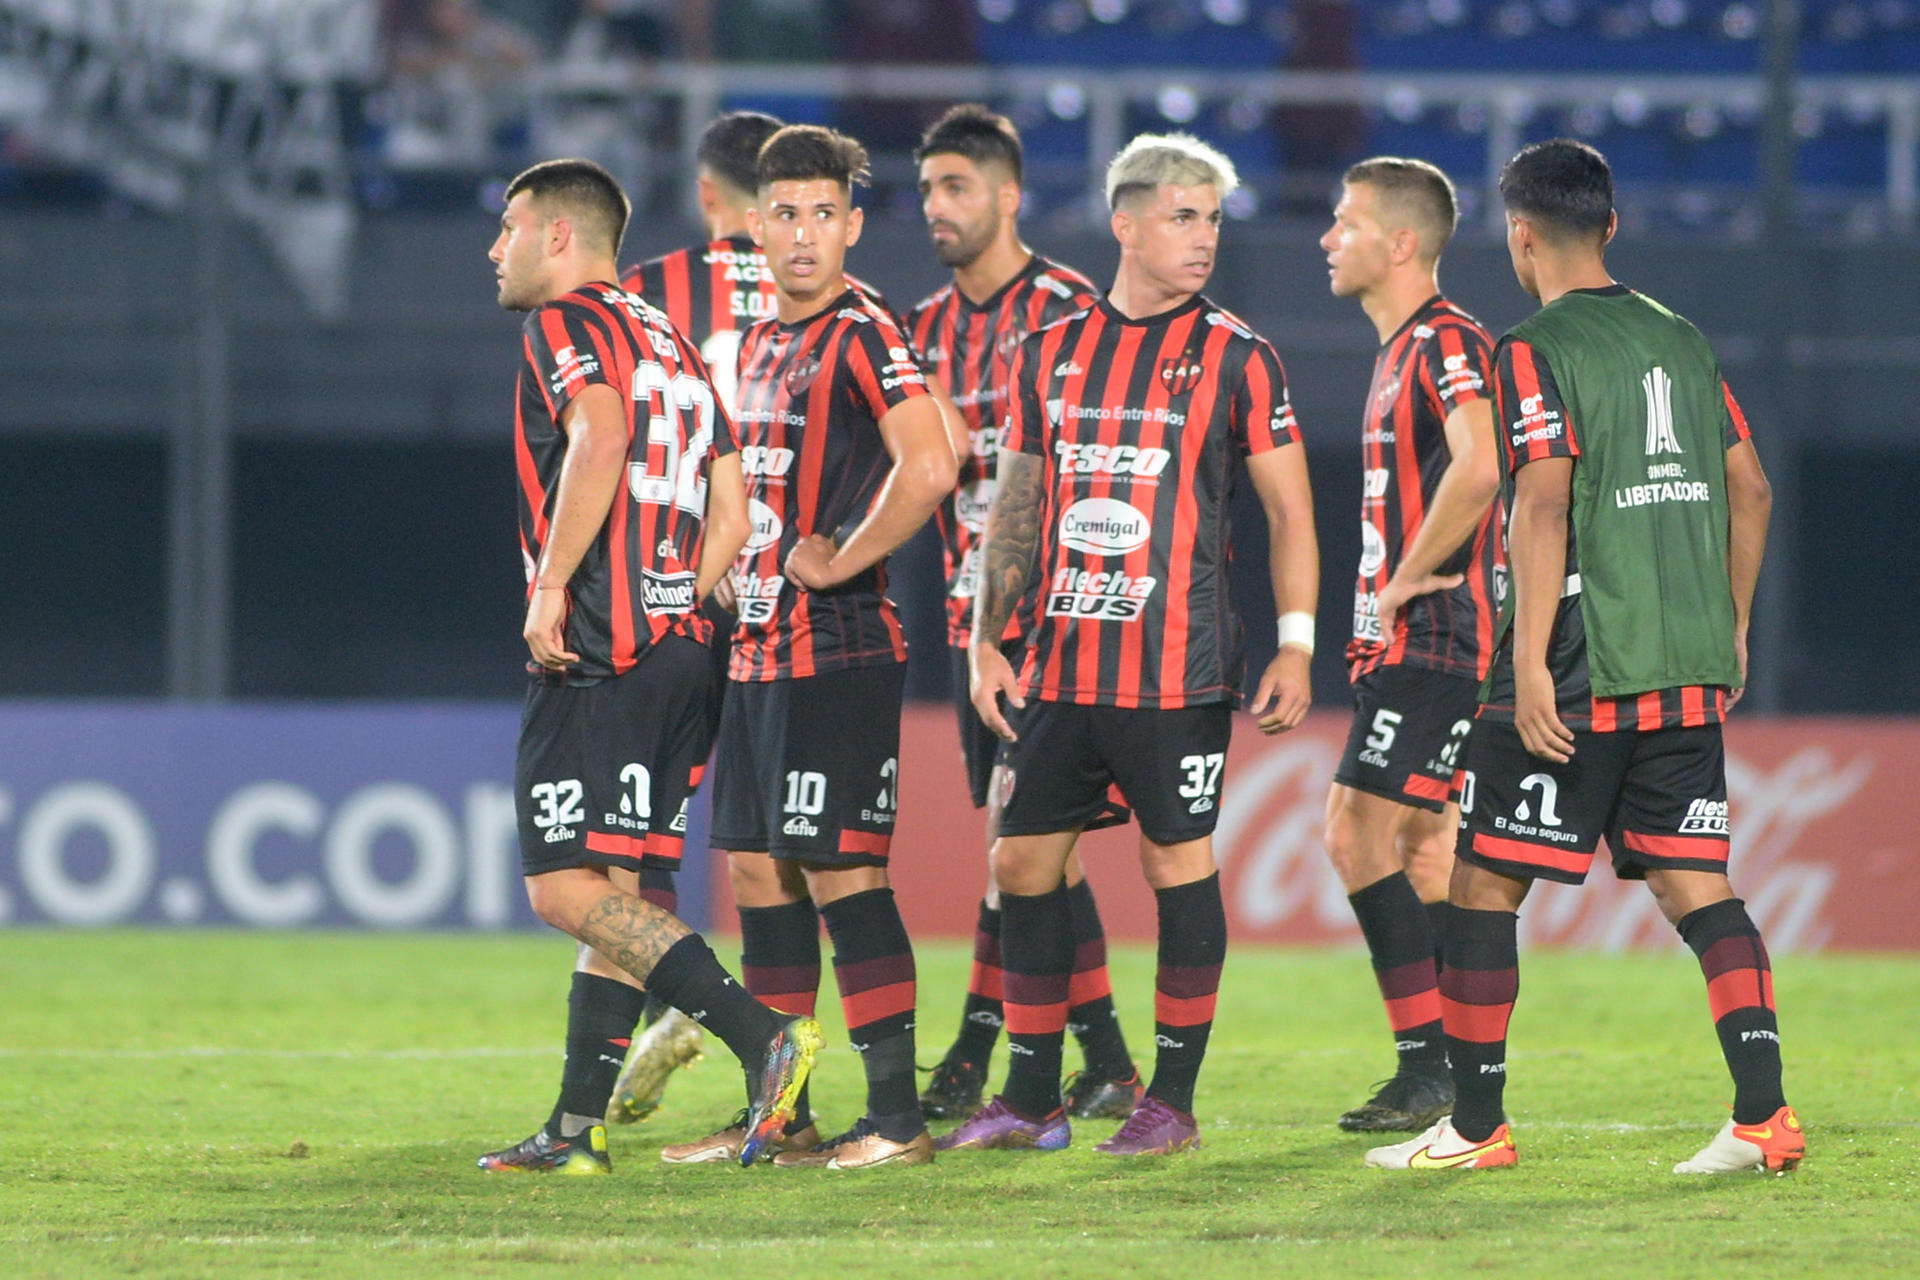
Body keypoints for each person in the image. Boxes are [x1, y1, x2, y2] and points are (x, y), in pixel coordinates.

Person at [1366, 139, 1799, 1173]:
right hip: (1686, 667)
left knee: (1480, 889)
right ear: (1611, 226)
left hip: (1574, 672)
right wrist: (1730, 622)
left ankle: (1476, 1127)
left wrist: (1522, 667)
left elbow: (1543, 496)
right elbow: (1753, 489)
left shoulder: (1532, 348)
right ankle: (1763, 1116)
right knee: (1699, 884)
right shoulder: (1683, 339)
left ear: (1520, 236)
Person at [938, 133, 1319, 1157]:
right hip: (1061, 662)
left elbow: (1290, 510)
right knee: (1022, 861)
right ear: (1127, 224)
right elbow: (1014, 507)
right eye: (1183, 216)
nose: (1203, 238)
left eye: (1211, 219)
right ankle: (1030, 1097)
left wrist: (1295, 643)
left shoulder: (1239, 354)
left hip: (1178, 665)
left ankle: (1172, 1101)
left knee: (1172, 859)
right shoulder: (1050, 352)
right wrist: (985, 638)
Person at [474, 158, 821, 1174]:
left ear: (558, 237)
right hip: (680, 651)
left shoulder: (565, 326)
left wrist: (553, 587)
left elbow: (602, 435)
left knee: (561, 888)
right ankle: (574, 1132)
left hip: (597, 648)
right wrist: (675, 595)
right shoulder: (669, 336)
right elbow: (737, 513)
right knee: (618, 892)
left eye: (508, 227)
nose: (495, 250)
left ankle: (765, 1037)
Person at [661, 125, 958, 1170]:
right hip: (758, 654)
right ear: (754, 223)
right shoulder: (753, 343)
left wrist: (843, 557)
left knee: (843, 874)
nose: (803, 233)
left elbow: (931, 463)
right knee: (756, 872)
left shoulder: (863, 331)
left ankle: (897, 1118)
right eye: (785, 212)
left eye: (824, 214)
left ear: (853, 226)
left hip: (838, 648)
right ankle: (780, 1110)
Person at [902, 103, 1142, 1125]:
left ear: (1008, 194)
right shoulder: (920, 329)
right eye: (925, 191)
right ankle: (1110, 1062)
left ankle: (976, 1048)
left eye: (956, 187)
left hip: (1052, 627)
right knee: (1043, 852)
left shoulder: (1071, 310)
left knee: (1019, 843)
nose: (936, 208)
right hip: (973, 629)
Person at [600, 108, 787, 1131]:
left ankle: (682, 1005)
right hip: (803, 599)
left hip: (680, 594)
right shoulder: (836, 292)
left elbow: (621, 443)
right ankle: (805, 1079)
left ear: (708, 193)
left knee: (627, 849)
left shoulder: (649, 292)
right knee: (788, 851)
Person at [1316, 157, 1503, 1132]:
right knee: (1427, 849)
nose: (1326, 238)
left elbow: (1480, 465)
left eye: (1344, 222)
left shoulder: (1445, 339)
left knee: (1353, 831)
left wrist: (1401, 579)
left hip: (1434, 635)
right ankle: (1455, 1071)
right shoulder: (1400, 349)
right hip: (1424, 639)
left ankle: (1427, 1065)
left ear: (1400, 242)